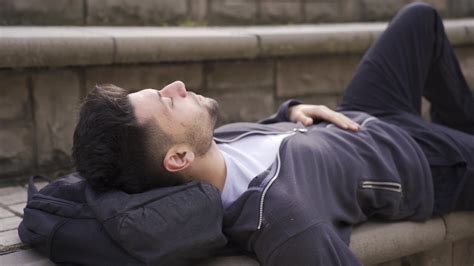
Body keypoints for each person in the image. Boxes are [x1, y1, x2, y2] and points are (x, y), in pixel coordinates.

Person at [72, 3, 474, 265]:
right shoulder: (280, 218)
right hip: (420, 160)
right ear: (178, 159)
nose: (176, 85)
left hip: (364, 111)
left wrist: (291, 111)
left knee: (419, 19)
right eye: (168, 101)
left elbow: (268, 142)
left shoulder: (210, 146)